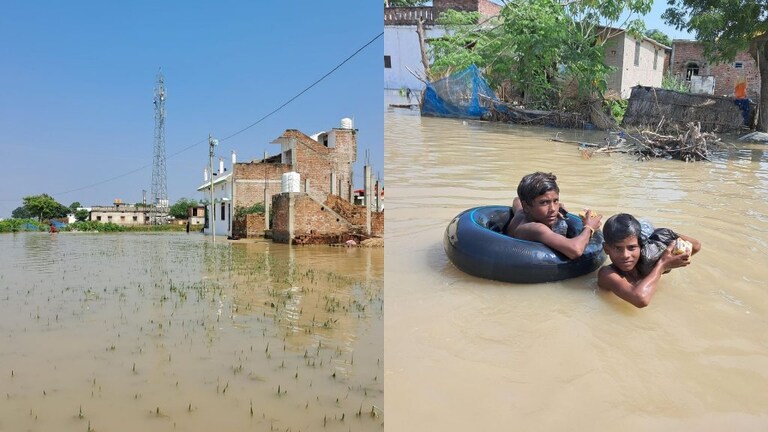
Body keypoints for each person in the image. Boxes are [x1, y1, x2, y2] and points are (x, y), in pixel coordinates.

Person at [597, 213, 701, 308]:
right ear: (606, 249)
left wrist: (659, 233)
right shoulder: (607, 274)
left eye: (632, 247)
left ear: (640, 246)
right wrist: (662, 265)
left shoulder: (648, 260)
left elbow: (695, 246)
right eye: (617, 248)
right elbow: (640, 299)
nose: (625, 255)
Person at [504, 172, 602, 259]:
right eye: (544, 202)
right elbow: (575, 250)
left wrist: (554, 205)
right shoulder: (536, 228)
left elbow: (516, 199)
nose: (553, 209)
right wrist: (589, 227)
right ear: (526, 206)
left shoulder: (520, 212)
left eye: (555, 201)